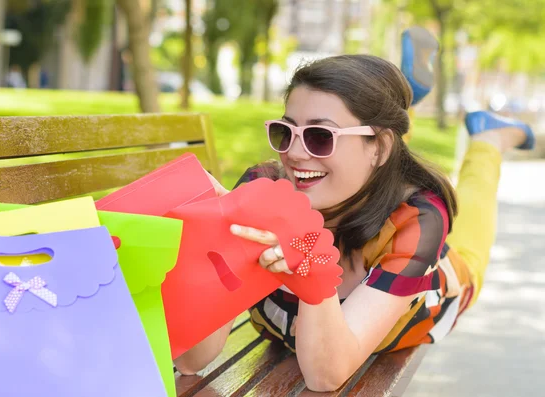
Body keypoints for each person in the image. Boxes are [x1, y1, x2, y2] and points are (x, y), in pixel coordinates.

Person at [174, 54, 535, 392]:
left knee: (475, 213)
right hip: (372, 153)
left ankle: (488, 138)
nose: (295, 154)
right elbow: (191, 359)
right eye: (287, 132)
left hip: (442, 283)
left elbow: (326, 375)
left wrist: (311, 257)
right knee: (355, 159)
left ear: (379, 145)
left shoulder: (418, 216)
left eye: (320, 136)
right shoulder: (263, 187)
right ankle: (389, 99)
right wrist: (210, 233)